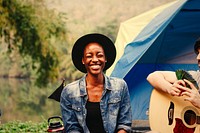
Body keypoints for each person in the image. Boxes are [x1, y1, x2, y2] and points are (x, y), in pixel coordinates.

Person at [60, 33, 132, 133]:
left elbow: (124, 124)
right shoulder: (69, 92)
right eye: (89, 56)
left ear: (105, 59)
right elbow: (72, 128)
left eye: (100, 55)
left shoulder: (120, 86)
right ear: (83, 60)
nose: (95, 60)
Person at [147, 37, 200, 109]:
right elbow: (153, 76)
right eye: (198, 53)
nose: (198, 57)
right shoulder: (195, 77)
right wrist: (170, 88)